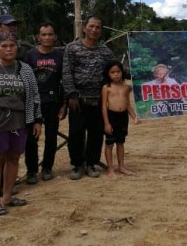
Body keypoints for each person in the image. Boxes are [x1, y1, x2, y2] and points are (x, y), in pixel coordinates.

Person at [0, 33, 42, 216]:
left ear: (17, 48)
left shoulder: (25, 69)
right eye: (4, 46)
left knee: (13, 158)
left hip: (19, 120)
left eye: (12, 46)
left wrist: (37, 120)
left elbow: (34, 95)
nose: (8, 49)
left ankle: (7, 196)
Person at [63, 15, 115, 180]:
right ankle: (78, 165)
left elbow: (117, 69)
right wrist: (71, 94)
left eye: (98, 27)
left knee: (96, 133)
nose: (94, 30)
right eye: (91, 26)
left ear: (101, 31)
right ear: (84, 28)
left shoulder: (106, 52)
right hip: (78, 99)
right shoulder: (72, 48)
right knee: (76, 133)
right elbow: (67, 73)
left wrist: (138, 71)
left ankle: (91, 163)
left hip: (99, 100)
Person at [23, 22, 65, 183]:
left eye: (50, 34)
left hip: (53, 102)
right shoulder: (29, 56)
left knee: (51, 137)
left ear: (55, 37)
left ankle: (47, 168)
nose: (47, 37)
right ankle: (31, 171)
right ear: (38, 37)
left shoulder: (59, 56)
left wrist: (64, 104)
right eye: (44, 34)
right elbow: (25, 80)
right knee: (31, 138)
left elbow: (64, 80)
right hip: (33, 103)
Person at [102, 61, 139, 177]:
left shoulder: (126, 88)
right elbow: (103, 106)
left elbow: (128, 105)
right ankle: (110, 168)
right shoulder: (106, 88)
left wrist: (134, 117)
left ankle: (121, 166)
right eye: (112, 72)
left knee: (120, 142)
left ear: (122, 72)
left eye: (118, 72)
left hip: (123, 117)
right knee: (109, 143)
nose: (116, 74)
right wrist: (106, 123)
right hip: (111, 116)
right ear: (108, 74)